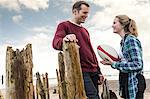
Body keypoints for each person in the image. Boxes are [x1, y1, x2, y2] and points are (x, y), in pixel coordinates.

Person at [52, 1, 104, 99]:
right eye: (84, 13)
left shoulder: (85, 31)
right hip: (81, 70)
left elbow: (91, 51)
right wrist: (65, 39)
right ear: (75, 11)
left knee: (96, 95)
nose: (86, 16)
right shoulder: (64, 25)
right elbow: (55, 42)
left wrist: (99, 71)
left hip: (93, 70)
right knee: (93, 97)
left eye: (87, 13)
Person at [100, 15, 146, 99]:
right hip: (126, 80)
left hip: (134, 81)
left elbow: (138, 64)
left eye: (114, 22)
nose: (112, 25)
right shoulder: (123, 42)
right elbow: (125, 62)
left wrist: (115, 64)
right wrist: (111, 63)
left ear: (122, 25)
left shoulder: (130, 40)